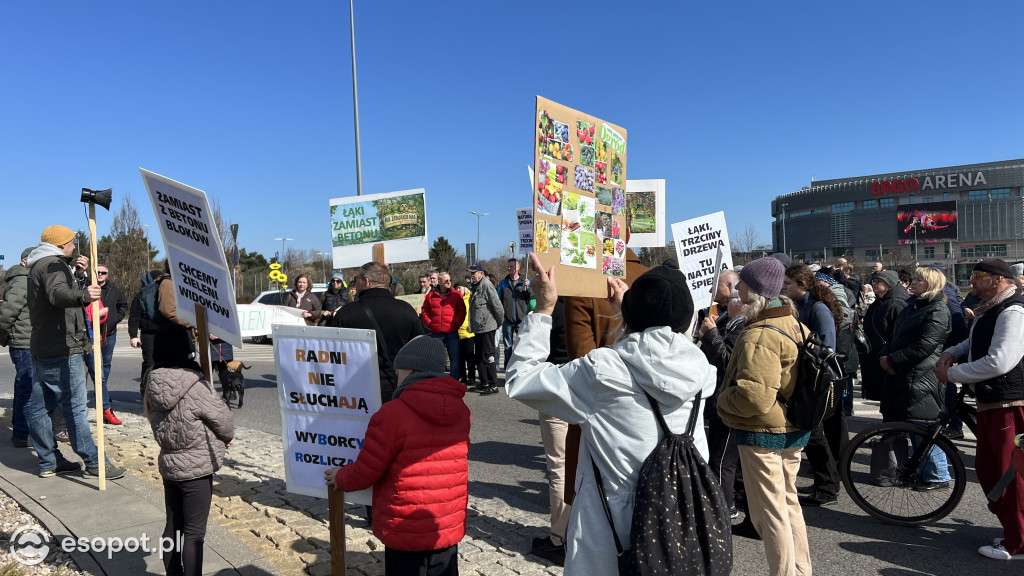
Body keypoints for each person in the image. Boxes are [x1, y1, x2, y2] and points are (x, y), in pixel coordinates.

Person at [506, 254, 716, 576]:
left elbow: (521, 380)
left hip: (608, 540)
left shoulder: (603, 372)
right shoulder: (702, 372)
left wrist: (544, 309)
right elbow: (659, 351)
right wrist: (629, 315)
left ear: (630, 318)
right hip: (677, 533)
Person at [325, 336, 470, 576]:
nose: (396, 378)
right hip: (444, 523)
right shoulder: (461, 411)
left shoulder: (392, 414)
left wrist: (340, 477)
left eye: (399, 372)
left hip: (405, 525)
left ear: (411, 371)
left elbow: (367, 470)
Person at [717, 256, 811, 576]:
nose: (737, 287)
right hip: (792, 426)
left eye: (742, 282)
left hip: (764, 433)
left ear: (755, 290)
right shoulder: (795, 322)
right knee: (787, 504)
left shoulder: (760, 333)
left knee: (769, 515)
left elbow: (754, 397)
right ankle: (800, 571)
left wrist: (721, 400)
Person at [934, 259, 1024, 561]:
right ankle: (1015, 530)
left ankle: (1018, 542)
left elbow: (1000, 360)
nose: (971, 283)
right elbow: (975, 342)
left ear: (998, 279)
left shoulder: (1013, 310)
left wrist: (954, 374)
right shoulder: (995, 307)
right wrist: (951, 352)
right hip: (994, 401)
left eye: (977, 277)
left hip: (1009, 403)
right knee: (990, 470)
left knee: (1007, 475)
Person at [25, 225, 126, 479]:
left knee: (41, 407)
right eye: (71, 242)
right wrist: (84, 295)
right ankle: (94, 462)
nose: (74, 246)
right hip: (63, 347)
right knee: (75, 409)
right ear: (60, 244)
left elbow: (56, 288)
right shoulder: (53, 265)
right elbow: (57, 294)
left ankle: (48, 461)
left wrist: (78, 275)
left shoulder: (40, 264)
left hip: (43, 345)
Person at [146, 323, 234, 576]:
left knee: (172, 527)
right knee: (195, 534)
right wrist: (225, 438)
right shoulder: (196, 385)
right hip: (197, 468)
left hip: (170, 466)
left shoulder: (153, 384)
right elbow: (225, 422)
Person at [877, 267, 951, 490]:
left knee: (925, 425)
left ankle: (938, 475)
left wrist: (892, 360)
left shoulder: (937, 310)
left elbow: (925, 346)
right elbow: (894, 336)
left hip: (922, 374)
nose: (913, 283)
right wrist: (886, 355)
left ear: (932, 284)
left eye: (920, 280)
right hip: (905, 372)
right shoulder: (912, 307)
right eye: (915, 279)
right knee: (916, 423)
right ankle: (925, 471)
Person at [783, 265, 845, 507]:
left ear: (803, 285)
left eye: (788, 284)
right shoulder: (798, 306)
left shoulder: (818, 309)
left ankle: (828, 487)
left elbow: (827, 348)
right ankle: (824, 483)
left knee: (815, 434)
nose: (784, 287)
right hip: (804, 379)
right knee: (813, 434)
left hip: (814, 381)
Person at [327, 262, 424, 404]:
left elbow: (329, 351)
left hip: (357, 390)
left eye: (357, 279)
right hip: (398, 387)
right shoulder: (406, 310)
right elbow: (420, 349)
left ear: (366, 282)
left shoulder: (347, 312)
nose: (355, 282)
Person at [699, 278, 745, 519]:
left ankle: (722, 510)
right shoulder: (728, 320)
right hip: (720, 399)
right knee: (721, 458)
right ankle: (727, 503)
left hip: (730, 401)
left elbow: (727, 362)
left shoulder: (743, 325)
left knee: (721, 460)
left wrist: (712, 334)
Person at [1, 248, 39, 446]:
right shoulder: (22, 281)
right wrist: (4, 337)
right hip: (24, 343)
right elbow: (7, 314)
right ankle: (23, 435)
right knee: (28, 389)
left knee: (24, 387)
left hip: (28, 341)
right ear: (25, 261)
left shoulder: (27, 280)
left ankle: (21, 431)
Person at [82, 263, 128, 425]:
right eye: (98, 272)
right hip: (89, 337)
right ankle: (99, 405)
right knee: (87, 373)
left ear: (107, 274)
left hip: (108, 334)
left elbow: (123, 305)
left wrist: (114, 319)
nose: (100, 274)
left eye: (103, 272)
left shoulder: (113, 289)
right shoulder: (86, 288)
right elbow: (84, 312)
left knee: (104, 368)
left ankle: (103, 399)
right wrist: (97, 315)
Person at [861, 271, 910, 401]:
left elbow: (900, 334)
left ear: (889, 284)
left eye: (878, 281)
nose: (874, 283)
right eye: (873, 280)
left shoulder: (897, 304)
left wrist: (892, 359)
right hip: (876, 357)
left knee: (892, 399)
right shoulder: (878, 303)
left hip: (889, 359)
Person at [420, 272, 466, 380]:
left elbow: (462, 311)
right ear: (439, 282)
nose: (449, 282)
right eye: (446, 281)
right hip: (436, 332)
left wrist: (455, 324)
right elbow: (425, 310)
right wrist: (429, 323)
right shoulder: (430, 295)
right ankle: (438, 379)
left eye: (449, 280)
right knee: (436, 358)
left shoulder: (456, 295)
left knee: (454, 357)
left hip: (452, 331)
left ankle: (454, 380)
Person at [467, 263, 503, 395]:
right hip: (479, 328)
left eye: (474, 272)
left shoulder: (487, 286)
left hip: (487, 327)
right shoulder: (475, 286)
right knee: (479, 357)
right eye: (471, 272)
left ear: (481, 273)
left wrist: (499, 323)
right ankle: (484, 383)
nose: (472, 275)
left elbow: (498, 306)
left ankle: (493, 385)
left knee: (488, 356)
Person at [128, 270, 165, 394]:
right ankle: (146, 389)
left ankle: (148, 389)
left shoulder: (142, 294)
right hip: (152, 333)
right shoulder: (143, 295)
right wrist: (133, 335)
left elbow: (133, 317)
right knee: (151, 362)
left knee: (150, 362)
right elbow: (134, 317)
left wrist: (133, 336)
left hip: (151, 332)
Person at [496, 258, 532, 372]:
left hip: (522, 320)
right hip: (508, 320)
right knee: (507, 347)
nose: (509, 268)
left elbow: (532, 297)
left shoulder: (525, 282)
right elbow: (498, 301)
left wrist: (529, 287)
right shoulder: (503, 283)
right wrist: (502, 316)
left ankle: (521, 370)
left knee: (522, 347)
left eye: (511, 266)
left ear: (518, 268)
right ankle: (508, 370)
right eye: (508, 266)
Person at [455, 284, 476, 385]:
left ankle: (471, 377)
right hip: (457, 332)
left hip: (468, 333)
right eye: (456, 288)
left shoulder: (470, 299)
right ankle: (462, 376)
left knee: (470, 357)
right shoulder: (455, 300)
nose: (458, 289)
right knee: (460, 357)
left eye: (460, 287)